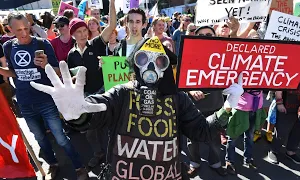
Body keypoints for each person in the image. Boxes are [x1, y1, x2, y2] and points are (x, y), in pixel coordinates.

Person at [30, 33, 244, 180]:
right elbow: (98, 110)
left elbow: (202, 131)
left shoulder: (177, 98)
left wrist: (227, 107)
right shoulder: (123, 93)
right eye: (143, 58)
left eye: (159, 62)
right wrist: (77, 112)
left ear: (166, 68)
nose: (151, 66)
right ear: (135, 64)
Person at [0, 13, 88, 179]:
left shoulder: (42, 44)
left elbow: (59, 71)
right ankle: (53, 164)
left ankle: (78, 166)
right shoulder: (9, 47)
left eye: (26, 28)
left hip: (46, 100)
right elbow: (15, 73)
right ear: (10, 29)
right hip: (25, 102)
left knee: (60, 137)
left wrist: (46, 65)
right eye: (18, 30)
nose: (24, 33)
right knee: (40, 138)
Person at [66, 1, 116, 168]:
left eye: (84, 31)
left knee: (108, 128)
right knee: (90, 132)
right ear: (72, 35)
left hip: (102, 94)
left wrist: (112, 3)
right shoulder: (70, 55)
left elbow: (112, 25)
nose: (82, 34)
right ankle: (98, 153)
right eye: (78, 32)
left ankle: (112, 156)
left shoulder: (96, 43)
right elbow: (71, 78)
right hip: (85, 97)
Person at [267, 36, 300, 165]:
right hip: (288, 104)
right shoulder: (293, 61)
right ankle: (274, 150)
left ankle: (291, 151)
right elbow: (279, 81)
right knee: (283, 130)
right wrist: (279, 102)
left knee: (299, 130)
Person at [186, 25, 227, 177]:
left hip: (215, 106)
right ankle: (194, 163)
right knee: (192, 140)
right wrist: (191, 90)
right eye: (201, 35)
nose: (205, 37)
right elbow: (181, 80)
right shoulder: (188, 55)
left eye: (209, 35)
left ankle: (215, 163)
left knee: (214, 140)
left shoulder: (223, 56)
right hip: (193, 107)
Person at [225, 90, 266, 174]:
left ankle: (248, 158)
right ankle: (229, 161)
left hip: (256, 107)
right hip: (240, 108)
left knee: (250, 136)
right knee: (233, 136)